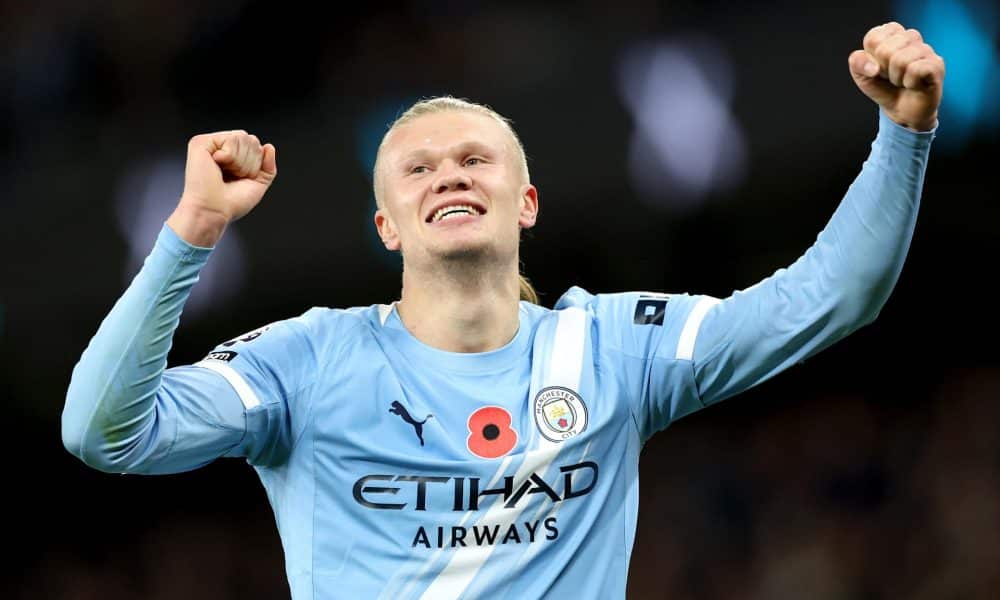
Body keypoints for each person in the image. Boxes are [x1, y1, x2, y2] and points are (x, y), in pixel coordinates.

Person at [62, 22, 944, 599]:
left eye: (476, 160)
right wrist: (192, 230)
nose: (449, 173)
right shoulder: (309, 362)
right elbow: (104, 432)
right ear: (387, 227)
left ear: (525, 203)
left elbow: (829, 297)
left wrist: (904, 134)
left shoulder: (610, 348)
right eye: (419, 168)